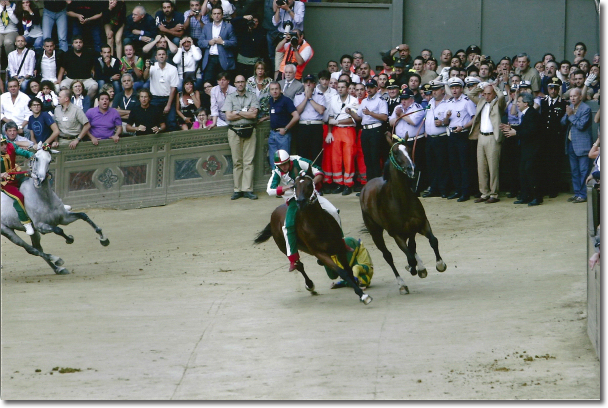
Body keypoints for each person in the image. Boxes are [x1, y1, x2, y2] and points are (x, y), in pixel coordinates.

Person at [266, 150, 343, 272]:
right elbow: (270, 190)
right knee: (287, 226)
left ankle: (341, 241)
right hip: (294, 199)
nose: (284, 167)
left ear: (289, 161)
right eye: (281, 165)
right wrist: (288, 187)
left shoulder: (299, 161)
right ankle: (293, 259)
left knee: (333, 211)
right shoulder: (277, 172)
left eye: (285, 164)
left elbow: (319, 172)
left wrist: (310, 183)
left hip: (309, 195)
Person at [468, 81, 506, 204]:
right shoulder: (481, 102)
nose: (486, 96)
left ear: (493, 93)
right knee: (481, 167)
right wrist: (480, 86)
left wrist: (494, 86)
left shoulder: (498, 103)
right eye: (484, 94)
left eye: (489, 94)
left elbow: (501, 97)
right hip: (481, 136)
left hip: (492, 137)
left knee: (493, 167)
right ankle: (484, 193)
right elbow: (470, 94)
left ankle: (494, 194)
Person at [223, 74, 259, 200]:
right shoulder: (230, 97)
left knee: (248, 161)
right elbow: (229, 116)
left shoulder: (252, 96)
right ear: (235, 83)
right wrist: (245, 112)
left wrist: (237, 112)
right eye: (238, 82)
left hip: (249, 130)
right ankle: (237, 189)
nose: (240, 84)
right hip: (234, 131)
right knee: (237, 162)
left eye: (242, 81)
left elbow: (253, 115)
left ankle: (247, 189)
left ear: (245, 83)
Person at [503, 93, 542, 206]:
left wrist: (516, 133)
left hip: (533, 149)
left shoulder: (532, 114)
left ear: (526, 103)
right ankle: (526, 196)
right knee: (523, 172)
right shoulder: (528, 113)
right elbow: (524, 128)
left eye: (519, 102)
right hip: (526, 149)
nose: (517, 104)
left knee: (531, 172)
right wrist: (512, 128)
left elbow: (531, 131)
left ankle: (536, 197)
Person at [444, 77, 476, 202]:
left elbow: (474, 118)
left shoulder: (467, 101)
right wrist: (446, 118)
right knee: (454, 164)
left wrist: (463, 126)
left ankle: (465, 191)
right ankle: (457, 190)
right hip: (452, 134)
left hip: (463, 134)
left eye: (457, 87)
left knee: (464, 164)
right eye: (452, 88)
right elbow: (446, 122)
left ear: (461, 89)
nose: (454, 90)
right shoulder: (450, 102)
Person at [325, 79, 359, 194]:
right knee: (336, 158)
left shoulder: (354, 100)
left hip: (348, 130)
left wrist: (337, 122)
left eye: (342, 87)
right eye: (338, 87)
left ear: (348, 88)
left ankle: (348, 184)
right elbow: (330, 117)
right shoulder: (333, 99)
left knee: (348, 158)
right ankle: (338, 183)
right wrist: (329, 132)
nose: (340, 89)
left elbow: (353, 119)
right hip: (335, 131)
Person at [388, 88, 425, 192]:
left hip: (416, 140)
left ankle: (416, 188)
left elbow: (413, 121)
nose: (403, 101)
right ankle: (406, 187)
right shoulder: (398, 107)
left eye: (406, 99)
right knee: (403, 164)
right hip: (401, 142)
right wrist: (400, 115)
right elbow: (391, 123)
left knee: (415, 164)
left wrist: (400, 115)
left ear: (411, 99)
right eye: (402, 99)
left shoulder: (417, 107)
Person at [561, 87, 593, 203]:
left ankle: (583, 195)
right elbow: (563, 122)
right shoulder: (570, 107)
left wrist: (570, 116)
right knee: (574, 171)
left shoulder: (586, 108)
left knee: (583, 171)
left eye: (575, 96)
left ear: (580, 97)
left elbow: (581, 125)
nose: (572, 98)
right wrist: (567, 115)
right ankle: (577, 193)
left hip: (582, 144)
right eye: (571, 96)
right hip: (571, 143)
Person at [537, 77, 568, 198]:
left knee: (555, 164)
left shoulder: (562, 103)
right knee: (543, 163)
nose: (553, 90)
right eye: (551, 88)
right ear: (547, 88)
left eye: (556, 88)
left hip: (556, 139)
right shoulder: (543, 102)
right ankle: (544, 188)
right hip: (544, 138)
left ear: (559, 89)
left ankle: (553, 189)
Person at [0, 134, 35, 235]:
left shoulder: (11, 146)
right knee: (18, 197)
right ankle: (26, 223)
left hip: (16, 176)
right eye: (1, 144)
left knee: (36, 182)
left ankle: (57, 205)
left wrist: (31, 155)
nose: (4, 146)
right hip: (4, 183)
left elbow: (22, 152)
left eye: (4, 143)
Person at [356, 78, 387, 187]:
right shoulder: (364, 101)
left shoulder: (381, 100)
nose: (369, 89)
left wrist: (370, 113)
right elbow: (358, 117)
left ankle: (378, 186)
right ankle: (369, 186)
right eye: (367, 87)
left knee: (375, 159)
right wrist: (350, 112)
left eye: (371, 87)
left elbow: (384, 117)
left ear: (376, 88)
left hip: (376, 129)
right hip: (366, 130)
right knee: (367, 159)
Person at [423, 80, 450, 198]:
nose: (434, 92)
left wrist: (443, 122)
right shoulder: (431, 102)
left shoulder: (448, 102)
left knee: (442, 165)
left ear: (442, 90)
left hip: (441, 137)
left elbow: (451, 120)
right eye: (432, 90)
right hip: (430, 138)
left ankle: (444, 189)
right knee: (431, 164)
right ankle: (433, 188)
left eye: (436, 90)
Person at [199, 5, 237, 85]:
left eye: (219, 13)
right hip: (210, 59)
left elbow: (234, 42)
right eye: (214, 13)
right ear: (211, 15)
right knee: (208, 83)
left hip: (223, 59)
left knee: (223, 83)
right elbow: (200, 42)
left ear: (222, 15)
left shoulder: (228, 27)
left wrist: (222, 42)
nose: (216, 15)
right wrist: (208, 42)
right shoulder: (206, 27)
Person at [143, 48, 179, 131]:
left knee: (171, 122)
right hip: (155, 99)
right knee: (153, 122)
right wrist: (147, 68)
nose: (161, 56)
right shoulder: (152, 67)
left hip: (168, 98)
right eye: (159, 54)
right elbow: (145, 77)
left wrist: (169, 105)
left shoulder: (173, 69)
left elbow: (173, 88)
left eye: (163, 54)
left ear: (166, 57)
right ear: (156, 57)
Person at [293, 74, 325, 162]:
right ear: (303, 84)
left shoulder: (320, 95)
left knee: (316, 152)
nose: (308, 85)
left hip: (316, 126)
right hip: (302, 126)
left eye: (310, 82)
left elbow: (321, 110)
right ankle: (304, 175)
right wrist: (305, 98)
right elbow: (297, 112)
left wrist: (310, 98)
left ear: (314, 84)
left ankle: (317, 174)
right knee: (302, 153)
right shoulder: (298, 95)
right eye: (306, 82)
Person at [267, 81, 299, 169]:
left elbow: (296, 116)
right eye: (272, 89)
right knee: (274, 162)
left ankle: (285, 181)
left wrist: (285, 129)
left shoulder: (286, 101)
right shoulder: (271, 100)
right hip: (272, 134)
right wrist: (264, 118)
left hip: (283, 135)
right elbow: (275, 114)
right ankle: (276, 181)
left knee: (284, 162)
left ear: (280, 90)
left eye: (276, 89)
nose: (274, 91)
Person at [60, 36, 99, 100]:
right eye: (76, 42)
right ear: (72, 44)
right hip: (71, 79)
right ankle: (72, 101)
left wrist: (92, 69)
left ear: (82, 43)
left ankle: (84, 101)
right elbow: (62, 68)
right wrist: (59, 80)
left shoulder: (88, 53)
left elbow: (93, 64)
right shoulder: (67, 54)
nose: (78, 44)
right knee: (63, 86)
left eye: (80, 42)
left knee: (94, 86)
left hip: (86, 79)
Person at [232, 14, 266, 80]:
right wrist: (243, 17)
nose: (254, 23)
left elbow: (261, 46)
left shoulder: (261, 32)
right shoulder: (243, 30)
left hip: (254, 61)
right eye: (253, 21)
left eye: (256, 22)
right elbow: (233, 22)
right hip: (242, 60)